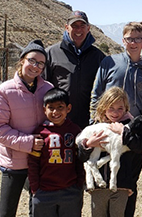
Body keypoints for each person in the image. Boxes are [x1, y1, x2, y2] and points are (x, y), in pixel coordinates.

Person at [90, 21, 142, 217]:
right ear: (123, 40)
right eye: (130, 39)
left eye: (138, 39)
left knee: (129, 182)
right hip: (105, 129)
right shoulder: (109, 62)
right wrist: (93, 123)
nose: (134, 43)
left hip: (131, 134)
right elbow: (96, 94)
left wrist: (139, 130)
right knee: (105, 176)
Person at [0, 39, 54, 217]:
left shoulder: (48, 89)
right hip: (14, 162)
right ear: (22, 60)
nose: (36, 66)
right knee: (7, 211)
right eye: (32, 61)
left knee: (38, 208)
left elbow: (54, 120)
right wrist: (28, 142)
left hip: (40, 159)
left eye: (41, 63)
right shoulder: (5, 90)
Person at [78, 86, 142, 217]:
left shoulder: (132, 126)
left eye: (120, 108)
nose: (115, 113)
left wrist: (124, 133)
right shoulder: (95, 127)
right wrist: (88, 144)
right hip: (99, 188)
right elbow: (81, 156)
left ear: (126, 108)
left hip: (123, 186)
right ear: (104, 107)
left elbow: (140, 147)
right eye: (111, 108)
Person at [45, 10, 106, 129]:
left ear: (88, 28)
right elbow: (43, 88)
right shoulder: (51, 53)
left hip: (89, 122)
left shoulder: (98, 56)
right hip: (59, 121)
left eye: (82, 26)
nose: (78, 30)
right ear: (67, 28)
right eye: (74, 26)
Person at [28, 88, 84, 217]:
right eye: (51, 108)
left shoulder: (75, 131)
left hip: (70, 191)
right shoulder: (40, 132)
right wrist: (35, 188)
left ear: (68, 108)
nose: (55, 112)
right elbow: (33, 162)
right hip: (45, 192)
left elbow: (79, 160)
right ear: (44, 110)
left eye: (60, 107)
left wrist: (79, 184)